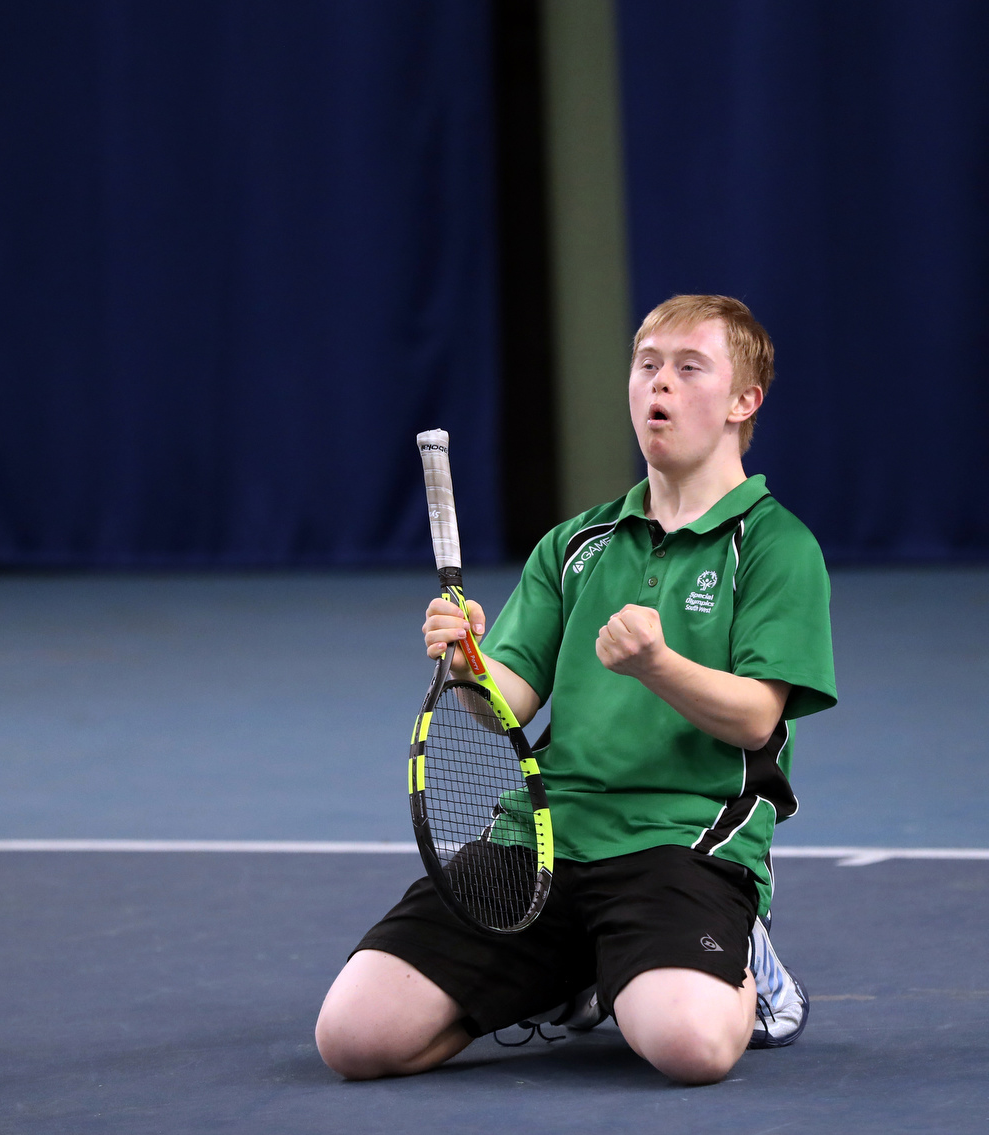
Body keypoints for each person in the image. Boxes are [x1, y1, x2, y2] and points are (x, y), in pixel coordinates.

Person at [315, 294, 837, 1084]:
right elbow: (505, 708)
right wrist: (468, 663)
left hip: (681, 843)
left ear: (743, 401)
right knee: (353, 1039)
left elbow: (756, 718)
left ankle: (748, 969)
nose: (659, 385)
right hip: (542, 838)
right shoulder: (576, 544)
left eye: (688, 368)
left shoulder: (774, 546)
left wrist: (658, 664)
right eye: (647, 365)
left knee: (689, 1048)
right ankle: (573, 973)